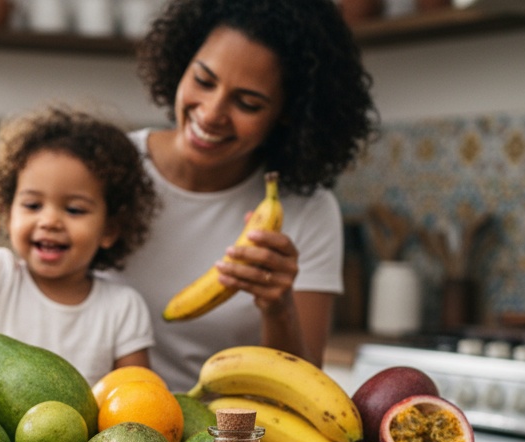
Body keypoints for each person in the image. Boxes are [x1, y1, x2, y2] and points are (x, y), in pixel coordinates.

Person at [104, 0, 378, 391]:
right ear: (182, 63)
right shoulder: (108, 168)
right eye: (203, 80)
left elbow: (306, 389)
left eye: (247, 103)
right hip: (97, 426)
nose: (212, 112)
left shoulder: (305, 210)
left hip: (227, 438)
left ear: (288, 113)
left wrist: (278, 307)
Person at [0, 105, 161, 385]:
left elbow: (139, 394)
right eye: (32, 205)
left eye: (74, 209)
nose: (49, 220)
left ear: (109, 229)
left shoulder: (122, 308)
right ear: (8, 210)